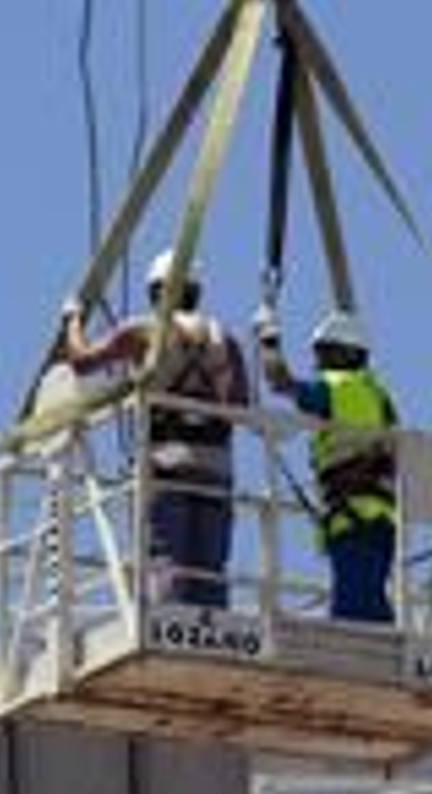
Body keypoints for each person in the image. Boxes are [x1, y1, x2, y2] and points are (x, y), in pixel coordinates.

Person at [61, 250, 250, 609]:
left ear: (154, 292)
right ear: (196, 292)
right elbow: (239, 405)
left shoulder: (144, 330)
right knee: (209, 568)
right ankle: (212, 632)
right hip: (215, 469)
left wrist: (72, 318)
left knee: (165, 564)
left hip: (166, 467)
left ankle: (167, 624)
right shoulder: (225, 339)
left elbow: (81, 360)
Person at [255, 306, 398, 623]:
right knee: (372, 597)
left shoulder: (335, 388)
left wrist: (267, 341)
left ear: (341, 353)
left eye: (321, 354)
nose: (317, 364)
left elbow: (281, 382)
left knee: (353, 610)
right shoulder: (380, 397)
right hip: (382, 518)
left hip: (351, 519)